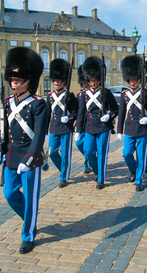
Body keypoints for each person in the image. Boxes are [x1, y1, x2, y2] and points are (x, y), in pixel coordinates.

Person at [0, 47, 47, 254]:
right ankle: (30, 217)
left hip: (29, 157)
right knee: (9, 194)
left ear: (27, 80)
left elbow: (40, 134)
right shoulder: (7, 103)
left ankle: (28, 235)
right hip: (12, 155)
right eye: (12, 80)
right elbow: (2, 129)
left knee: (31, 198)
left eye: (17, 80)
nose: (14, 83)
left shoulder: (38, 104)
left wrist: (31, 158)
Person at [74, 56, 119, 190]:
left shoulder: (106, 92)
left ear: (99, 79)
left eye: (95, 80)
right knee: (88, 152)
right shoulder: (83, 95)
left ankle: (101, 179)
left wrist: (109, 116)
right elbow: (81, 113)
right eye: (91, 80)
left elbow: (115, 108)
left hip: (103, 127)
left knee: (102, 153)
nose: (93, 83)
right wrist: (78, 129)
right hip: (89, 127)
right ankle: (97, 170)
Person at [117, 55, 147, 192]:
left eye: (135, 79)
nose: (132, 81)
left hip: (143, 129)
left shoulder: (146, 93)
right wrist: (119, 130)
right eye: (130, 79)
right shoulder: (124, 95)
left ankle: (139, 180)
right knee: (126, 154)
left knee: (141, 156)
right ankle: (134, 170)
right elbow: (122, 113)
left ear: (139, 79)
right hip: (129, 129)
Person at [46, 59, 79, 188]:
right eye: (55, 81)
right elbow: (47, 115)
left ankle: (63, 177)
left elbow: (77, 112)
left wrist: (70, 117)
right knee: (52, 153)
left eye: (59, 81)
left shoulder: (69, 95)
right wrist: (45, 131)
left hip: (66, 128)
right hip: (53, 128)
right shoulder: (49, 96)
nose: (56, 83)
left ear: (64, 82)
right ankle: (64, 170)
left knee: (65, 154)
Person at [75, 65, 93, 174]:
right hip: (82, 124)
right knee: (79, 144)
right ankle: (89, 158)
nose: (85, 85)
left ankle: (88, 163)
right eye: (83, 83)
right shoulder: (80, 95)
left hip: (91, 123)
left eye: (86, 82)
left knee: (88, 146)